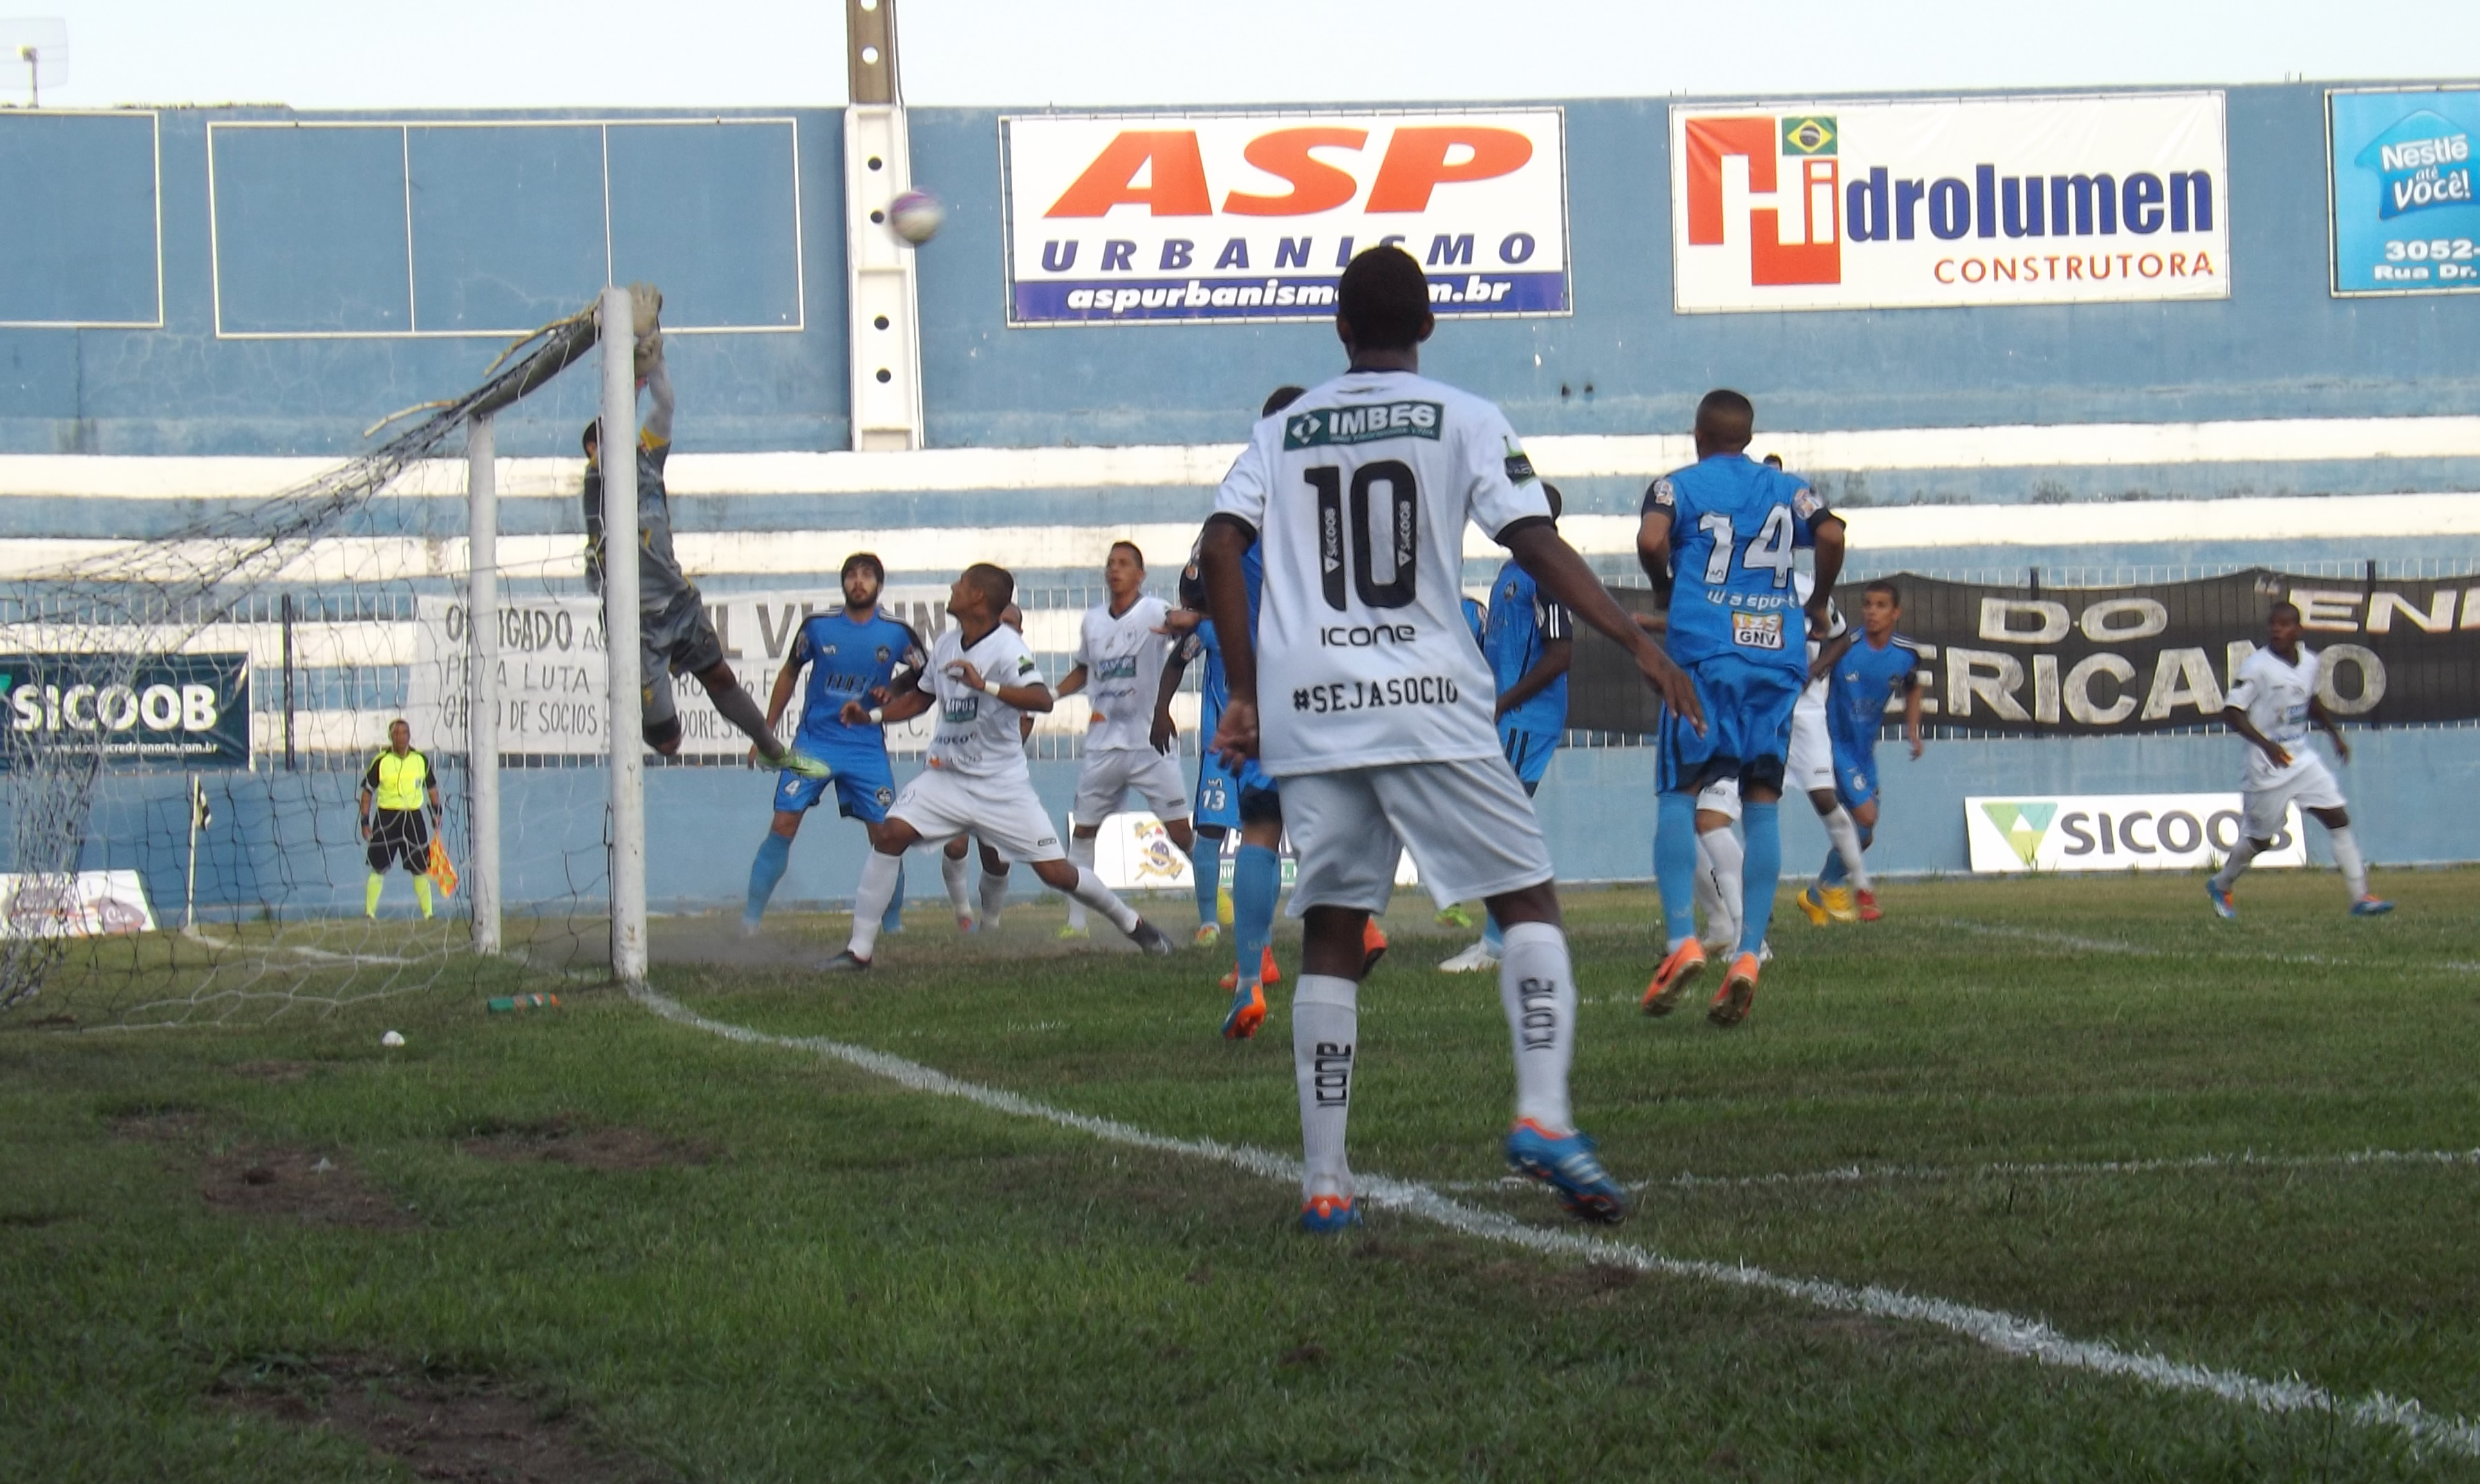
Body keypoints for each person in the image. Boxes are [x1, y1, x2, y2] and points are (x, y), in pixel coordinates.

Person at [1200, 244, 1701, 1232]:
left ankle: (1325, 1181)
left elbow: (1221, 541)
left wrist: (1244, 689)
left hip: (1311, 707)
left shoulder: (1282, 426)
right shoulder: (1464, 416)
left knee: (1334, 930)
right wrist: (1628, 637)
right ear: (1426, 325)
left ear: (1338, 330)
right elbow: (1531, 537)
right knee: (1526, 899)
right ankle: (1544, 1116)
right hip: (1426, 694)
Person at [819, 563, 1174, 970]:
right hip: (945, 777)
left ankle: (1135, 925)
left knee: (1057, 873)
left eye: (962, 584)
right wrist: (875, 717)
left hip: (1000, 786)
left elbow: (1041, 700)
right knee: (891, 834)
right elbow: (921, 696)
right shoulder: (948, 643)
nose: (953, 587)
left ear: (978, 598)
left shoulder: (1008, 648)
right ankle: (859, 951)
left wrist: (983, 685)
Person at [1637, 389, 1845, 1030]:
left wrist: (1667, 588)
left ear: (1698, 433)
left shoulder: (1675, 486)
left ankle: (1681, 943)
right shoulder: (1788, 487)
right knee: (1761, 800)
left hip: (1706, 654)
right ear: (1748, 437)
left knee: (1681, 790)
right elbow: (1832, 532)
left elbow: (1651, 539)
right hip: (1776, 657)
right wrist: (1819, 600)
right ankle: (1749, 953)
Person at [582, 283, 828, 780]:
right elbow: (616, 425)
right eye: (597, 446)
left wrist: (654, 345)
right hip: (638, 625)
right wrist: (630, 373)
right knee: (668, 743)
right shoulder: (597, 480)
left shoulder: (645, 462)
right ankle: (643, 713)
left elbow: (665, 406)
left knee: (720, 677)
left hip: (679, 603)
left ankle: (771, 747)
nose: (604, 449)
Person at [743, 552, 927, 937]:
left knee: (886, 836)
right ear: (842, 583)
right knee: (783, 823)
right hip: (815, 746)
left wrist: (892, 688)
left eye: (867, 576)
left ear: (880, 584)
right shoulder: (817, 627)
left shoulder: (897, 633)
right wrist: (765, 733)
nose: (858, 583)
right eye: (851, 576)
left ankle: (892, 926)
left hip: (865, 749)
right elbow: (790, 673)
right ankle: (750, 921)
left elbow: (922, 676)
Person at [1441, 483, 1574, 973]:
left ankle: (1499, 944)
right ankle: (1519, 932)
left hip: (1524, 718)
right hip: (1504, 714)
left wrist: (1504, 702)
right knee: (1495, 821)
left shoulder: (1547, 571)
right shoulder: (1513, 571)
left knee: (1501, 823)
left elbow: (1560, 653)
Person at [1055, 542, 1204, 939]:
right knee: (1083, 831)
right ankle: (1076, 924)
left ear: (1141, 575)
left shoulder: (1154, 611)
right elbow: (1084, 671)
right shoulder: (1092, 622)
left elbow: (1185, 620)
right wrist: (1049, 696)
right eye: (1110, 563)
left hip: (1148, 741)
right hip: (1104, 743)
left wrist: (1187, 620)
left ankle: (1214, 903)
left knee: (1179, 832)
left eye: (1124, 564)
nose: (1114, 569)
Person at [2206, 602, 2392, 918]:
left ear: (2298, 629)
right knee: (2261, 841)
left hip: (2301, 757)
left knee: (2338, 818)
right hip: (2266, 766)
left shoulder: (2310, 662)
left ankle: (2361, 897)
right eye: (2273, 624)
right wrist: (2266, 746)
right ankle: (2222, 884)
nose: (2277, 630)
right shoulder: (2257, 667)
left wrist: (2334, 734)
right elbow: (2231, 712)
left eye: (2284, 624)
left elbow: (2309, 700)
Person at [1796, 579, 1923, 923]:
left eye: (1881, 606)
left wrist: (1913, 730)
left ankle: (1819, 891)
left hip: (1864, 751)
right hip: (1834, 744)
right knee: (1865, 817)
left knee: (1864, 834)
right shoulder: (1846, 646)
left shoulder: (1905, 653)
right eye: (1867, 604)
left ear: (1896, 612)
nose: (1872, 612)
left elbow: (1913, 687)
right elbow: (1816, 674)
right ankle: (1854, 890)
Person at [944, 602, 1036, 930]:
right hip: (958, 766)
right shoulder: (965, 656)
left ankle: (991, 922)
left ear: (1020, 630)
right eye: (999, 622)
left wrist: (1001, 757)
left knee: (997, 858)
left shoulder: (1020, 665)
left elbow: (1027, 720)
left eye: (1010, 622)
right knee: (955, 842)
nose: (1003, 628)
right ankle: (963, 914)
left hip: (998, 774)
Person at [359, 717, 443, 919]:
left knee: (420, 867)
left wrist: (436, 813)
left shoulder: (420, 760)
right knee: (378, 866)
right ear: (391, 737)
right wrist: (365, 821)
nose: (402, 737)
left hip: (413, 817)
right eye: (397, 734)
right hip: (387, 817)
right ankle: (369, 913)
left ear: (409, 736)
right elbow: (367, 792)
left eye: (405, 733)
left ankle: (428, 914)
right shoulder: (381, 761)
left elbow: (432, 789)